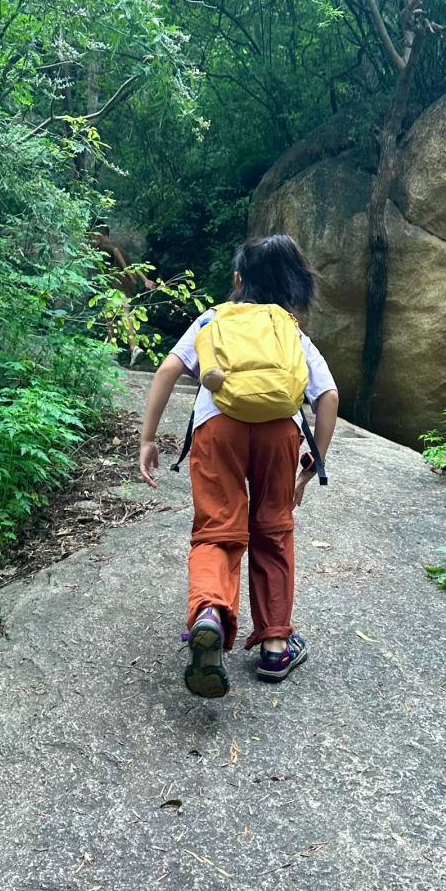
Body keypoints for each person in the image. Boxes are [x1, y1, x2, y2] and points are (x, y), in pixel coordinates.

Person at [138, 234, 339, 697]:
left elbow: (168, 370)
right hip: (278, 431)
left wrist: (148, 439)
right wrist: (313, 462)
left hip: (218, 430)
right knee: (272, 528)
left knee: (217, 527)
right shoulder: (290, 329)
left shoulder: (213, 320)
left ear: (237, 280)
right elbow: (327, 396)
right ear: (289, 285)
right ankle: (274, 646)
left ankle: (210, 612)